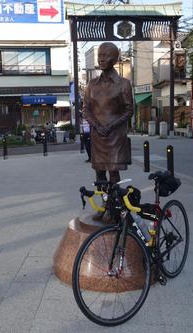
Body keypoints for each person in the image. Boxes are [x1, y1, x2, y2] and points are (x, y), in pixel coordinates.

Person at [83, 42, 133, 220]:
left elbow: (129, 110)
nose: (101, 59)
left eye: (105, 56)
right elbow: (86, 109)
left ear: (115, 58)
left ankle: (116, 207)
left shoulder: (123, 84)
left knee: (113, 172)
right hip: (98, 135)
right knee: (99, 173)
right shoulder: (92, 84)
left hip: (115, 136)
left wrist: (111, 126)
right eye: (100, 56)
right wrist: (96, 126)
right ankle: (104, 205)